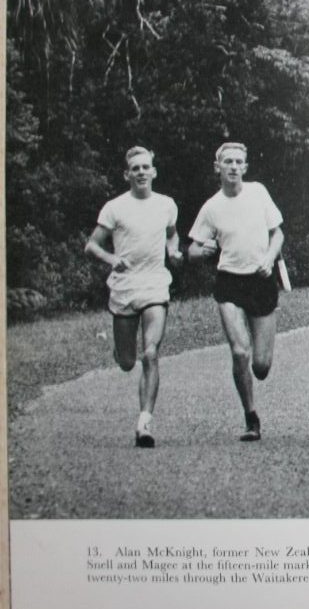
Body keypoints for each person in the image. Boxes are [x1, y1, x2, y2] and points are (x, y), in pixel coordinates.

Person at [85, 146, 182, 448]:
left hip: (155, 284)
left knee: (150, 353)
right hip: (125, 287)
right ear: (127, 174)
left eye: (145, 167)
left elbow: (172, 233)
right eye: (135, 168)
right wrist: (112, 259)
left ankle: (144, 423)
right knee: (128, 361)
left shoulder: (166, 204)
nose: (141, 172)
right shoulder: (115, 208)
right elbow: (91, 246)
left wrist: (173, 251)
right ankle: (120, 351)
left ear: (154, 172)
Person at [187, 142, 284, 442]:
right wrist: (203, 249)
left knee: (261, 365)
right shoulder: (211, 207)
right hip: (229, 281)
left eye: (238, 161)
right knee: (240, 352)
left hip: (261, 279)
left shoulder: (258, 193)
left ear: (245, 166)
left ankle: (257, 372)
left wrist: (269, 258)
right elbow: (191, 249)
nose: (232, 166)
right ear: (218, 167)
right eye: (227, 161)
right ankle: (251, 416)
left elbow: (278, 233)